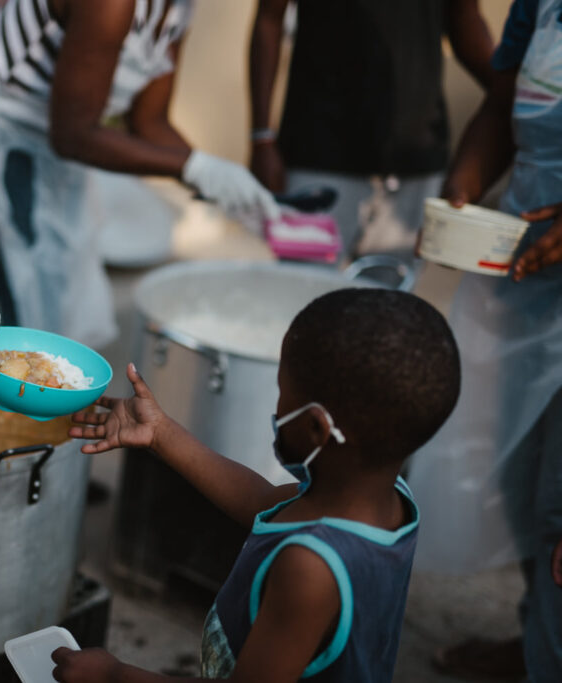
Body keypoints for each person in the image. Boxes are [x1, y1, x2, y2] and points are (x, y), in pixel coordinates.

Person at [53, 288, 461, 682]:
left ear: (318, 427)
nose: (277, 406)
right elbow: (261, 501)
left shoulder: (310, 567)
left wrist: (115, 675)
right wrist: (161, 433)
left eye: (283, 393)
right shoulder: (380, 498)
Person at [0, 0, 279, 349]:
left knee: (69, 282)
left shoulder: (178, 9)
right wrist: (196, 168)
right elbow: (73, 135)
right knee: (30, 296)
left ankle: (44, 396)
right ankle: (20, 402)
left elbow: (149, 121)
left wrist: (224, 187)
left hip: (47, 133)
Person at [407, 1, 562, 679]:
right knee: (529, 473)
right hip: (523, 274)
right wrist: (465, 184)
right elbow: (501, 107)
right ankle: (540, 638)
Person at [248, 0, 493, 260]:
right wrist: (261, 137)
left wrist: (510, 93)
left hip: (415, 163)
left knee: (393, 298)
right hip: (319, 157)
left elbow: (465, 19)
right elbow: (269, 18)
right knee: (303, 291)